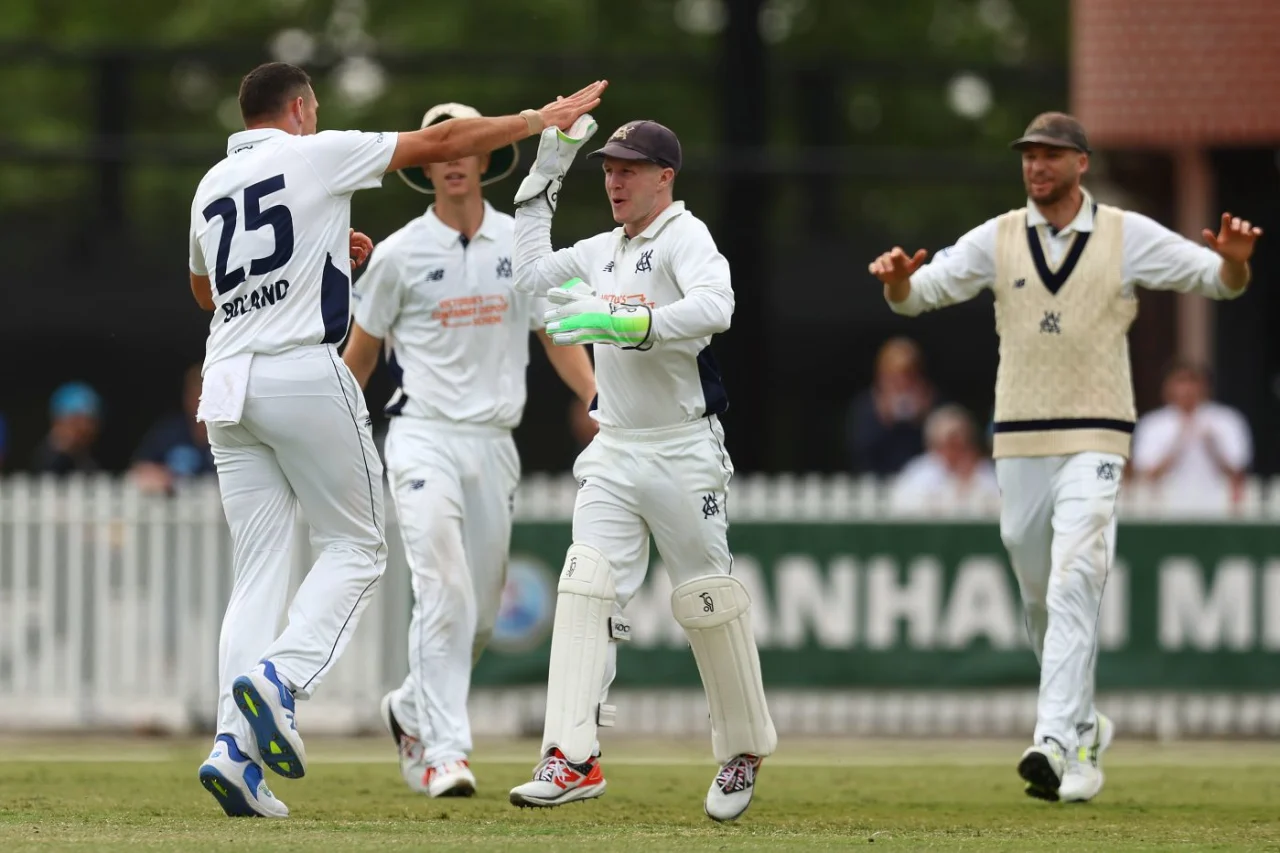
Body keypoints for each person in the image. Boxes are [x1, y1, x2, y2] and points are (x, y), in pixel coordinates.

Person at [187, 61, 606, 819]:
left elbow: (205, 290)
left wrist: (307, 255)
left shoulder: (212, 183)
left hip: (225, 380)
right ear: (303, 107)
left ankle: (231, 750)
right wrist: (539, 119)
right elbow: (439, 137)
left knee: (258, 574)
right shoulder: (315, 151)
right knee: (358, 549)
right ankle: (281, 680)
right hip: (298, 371)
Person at [868, 112, 1261, 804]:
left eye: (1050, 155)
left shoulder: (1124, 234)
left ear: (1081, 162)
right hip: (1019, 436)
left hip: (1097, 433)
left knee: (1077, 573)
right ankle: (1083, 723)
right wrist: (898, 282)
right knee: (1038, 587)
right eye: (1029, 156)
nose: (1036, 166)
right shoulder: (998, 238)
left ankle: (1053, 737)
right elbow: (920, 297)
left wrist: (1233, 259)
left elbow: (1218, 283)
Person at [504, 116, 776, 822]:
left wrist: (637, 325)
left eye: (629, 169)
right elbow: (530, 273)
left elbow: (719, 305)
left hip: (684, 447)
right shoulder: (602, 249)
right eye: (607, 168)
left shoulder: (684, 236)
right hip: (616, 446)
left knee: (706, 600)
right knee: (586, 582)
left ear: (665, 176)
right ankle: (571, 754)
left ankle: (742, 747)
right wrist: (545, 174)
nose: (615, 180)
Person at [341, 101, 596, 799]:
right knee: (443, 589)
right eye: (439, 149)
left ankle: (410, 705)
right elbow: (357, 362)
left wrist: (596, 397)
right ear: (426, 165)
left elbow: (557, 333)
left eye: (464, 146)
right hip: (421, 437)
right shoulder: (396, 256)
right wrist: (331, 440)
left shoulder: (522, 245)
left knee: (478, 614)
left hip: (493, 443)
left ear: (485, 157)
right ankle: (443, 752)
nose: (453, 158)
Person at [1131, 360, 1252, 515]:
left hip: (1218, 510)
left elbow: (1239, 472)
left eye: (1193, 381)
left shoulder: (1227, 420)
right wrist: (1178, 444)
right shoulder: (1153, 424)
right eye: (1180, 382)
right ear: (1168, 387)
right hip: (1165, 511)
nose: (1187, 389)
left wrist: (1212, 447)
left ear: (1204, 386)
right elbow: (1145, 475)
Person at [846, 337, 937, 476]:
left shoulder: (933, 402)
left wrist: (926, 418)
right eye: (895, 375)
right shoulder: (864, 406)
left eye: (909, 374)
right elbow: (859, 451)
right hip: (875, 485)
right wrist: (881, 418)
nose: (902, 381)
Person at [888, 404, 999, 515]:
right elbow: (902, 509)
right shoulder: (919, 473)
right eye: (951, 444)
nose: (958, 451)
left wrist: (967, 481)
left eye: (963, 443)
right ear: (934, 445)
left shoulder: (985, 470)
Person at [130, 364, 216, 494]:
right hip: (172, 507)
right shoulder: (169, 432)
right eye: (196, 395)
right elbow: (140, 468)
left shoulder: (237, 433)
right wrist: (157, 476)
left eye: (206, 396)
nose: (201, 402)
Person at [31, 382, 102, 476]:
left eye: (90, 422)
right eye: (76, 422)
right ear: (58, 421)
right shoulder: (45, 458)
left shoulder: (88, 462)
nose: (84, 429)